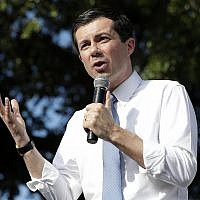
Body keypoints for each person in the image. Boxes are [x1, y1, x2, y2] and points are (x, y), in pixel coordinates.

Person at [0, 6, 198, 200]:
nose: (94, 50)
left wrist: (113, 132)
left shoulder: (166, 93)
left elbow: (184, 170)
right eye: (85, 45)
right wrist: (23, 143)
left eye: (102, 39)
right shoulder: (80, 120)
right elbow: (62, 194)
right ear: (81, 59)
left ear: (129, 46)